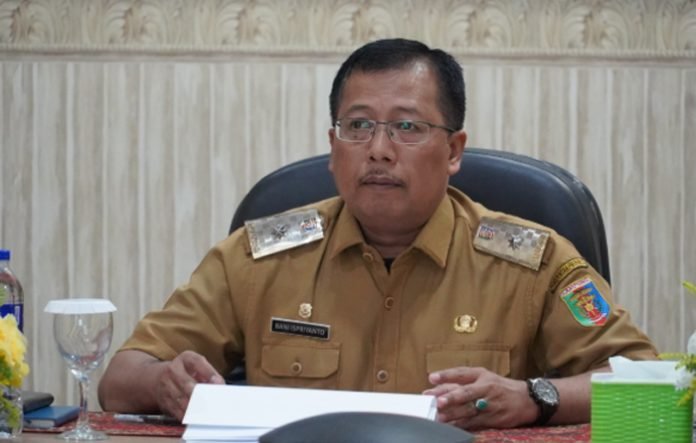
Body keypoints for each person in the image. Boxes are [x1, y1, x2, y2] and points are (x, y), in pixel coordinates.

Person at [98, 38, 657, 430]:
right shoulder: (256, 258)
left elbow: (648, 384)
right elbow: (120, 377)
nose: (379, 150)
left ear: (453, 150)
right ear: (333, 145)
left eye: (407, 127)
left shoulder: (534, 263)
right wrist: (164, 382)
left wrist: (535, 396)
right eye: (359, 126)